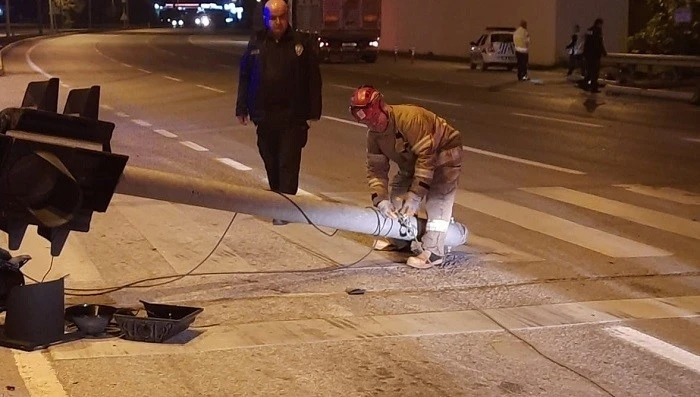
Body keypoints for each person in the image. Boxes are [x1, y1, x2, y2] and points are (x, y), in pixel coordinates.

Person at [349, 85, 462, 269]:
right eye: (368, 123)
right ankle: (401, 240)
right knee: (397, 198)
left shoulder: (410, 119)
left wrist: (416, 195)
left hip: (443, 154)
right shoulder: (374, 135)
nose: (373, 125)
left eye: (375, 119)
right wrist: (381, 200)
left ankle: (434, 252)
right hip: (412, 162)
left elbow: (427, 158)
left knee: (437, 200)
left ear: (383, 108)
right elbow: (376, 170)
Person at [236, 0, 322, 225]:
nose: (278, 22)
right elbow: (245, 75)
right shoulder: (256, 42)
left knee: (288, 162)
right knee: (270, 160)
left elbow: (313, 78)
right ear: (265, 19)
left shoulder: (300, 44)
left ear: (288, 16)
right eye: (273, 18)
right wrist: (241, 107)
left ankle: (285, 210)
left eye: (281, 16)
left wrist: (314, 110)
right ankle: (277, 201)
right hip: (264, 115)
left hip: (292, 116)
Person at [582, 18, 607, 93]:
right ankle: (594, 88)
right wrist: (604, 52)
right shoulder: (598, 31)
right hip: (595, 55)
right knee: (595, 72)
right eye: (601, 24)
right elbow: (599, 43)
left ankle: (585, 86)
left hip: (588, 55)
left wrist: (585, 53)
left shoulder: (589, 30)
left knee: (589, 71)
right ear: (599, 24)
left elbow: (586, 43)